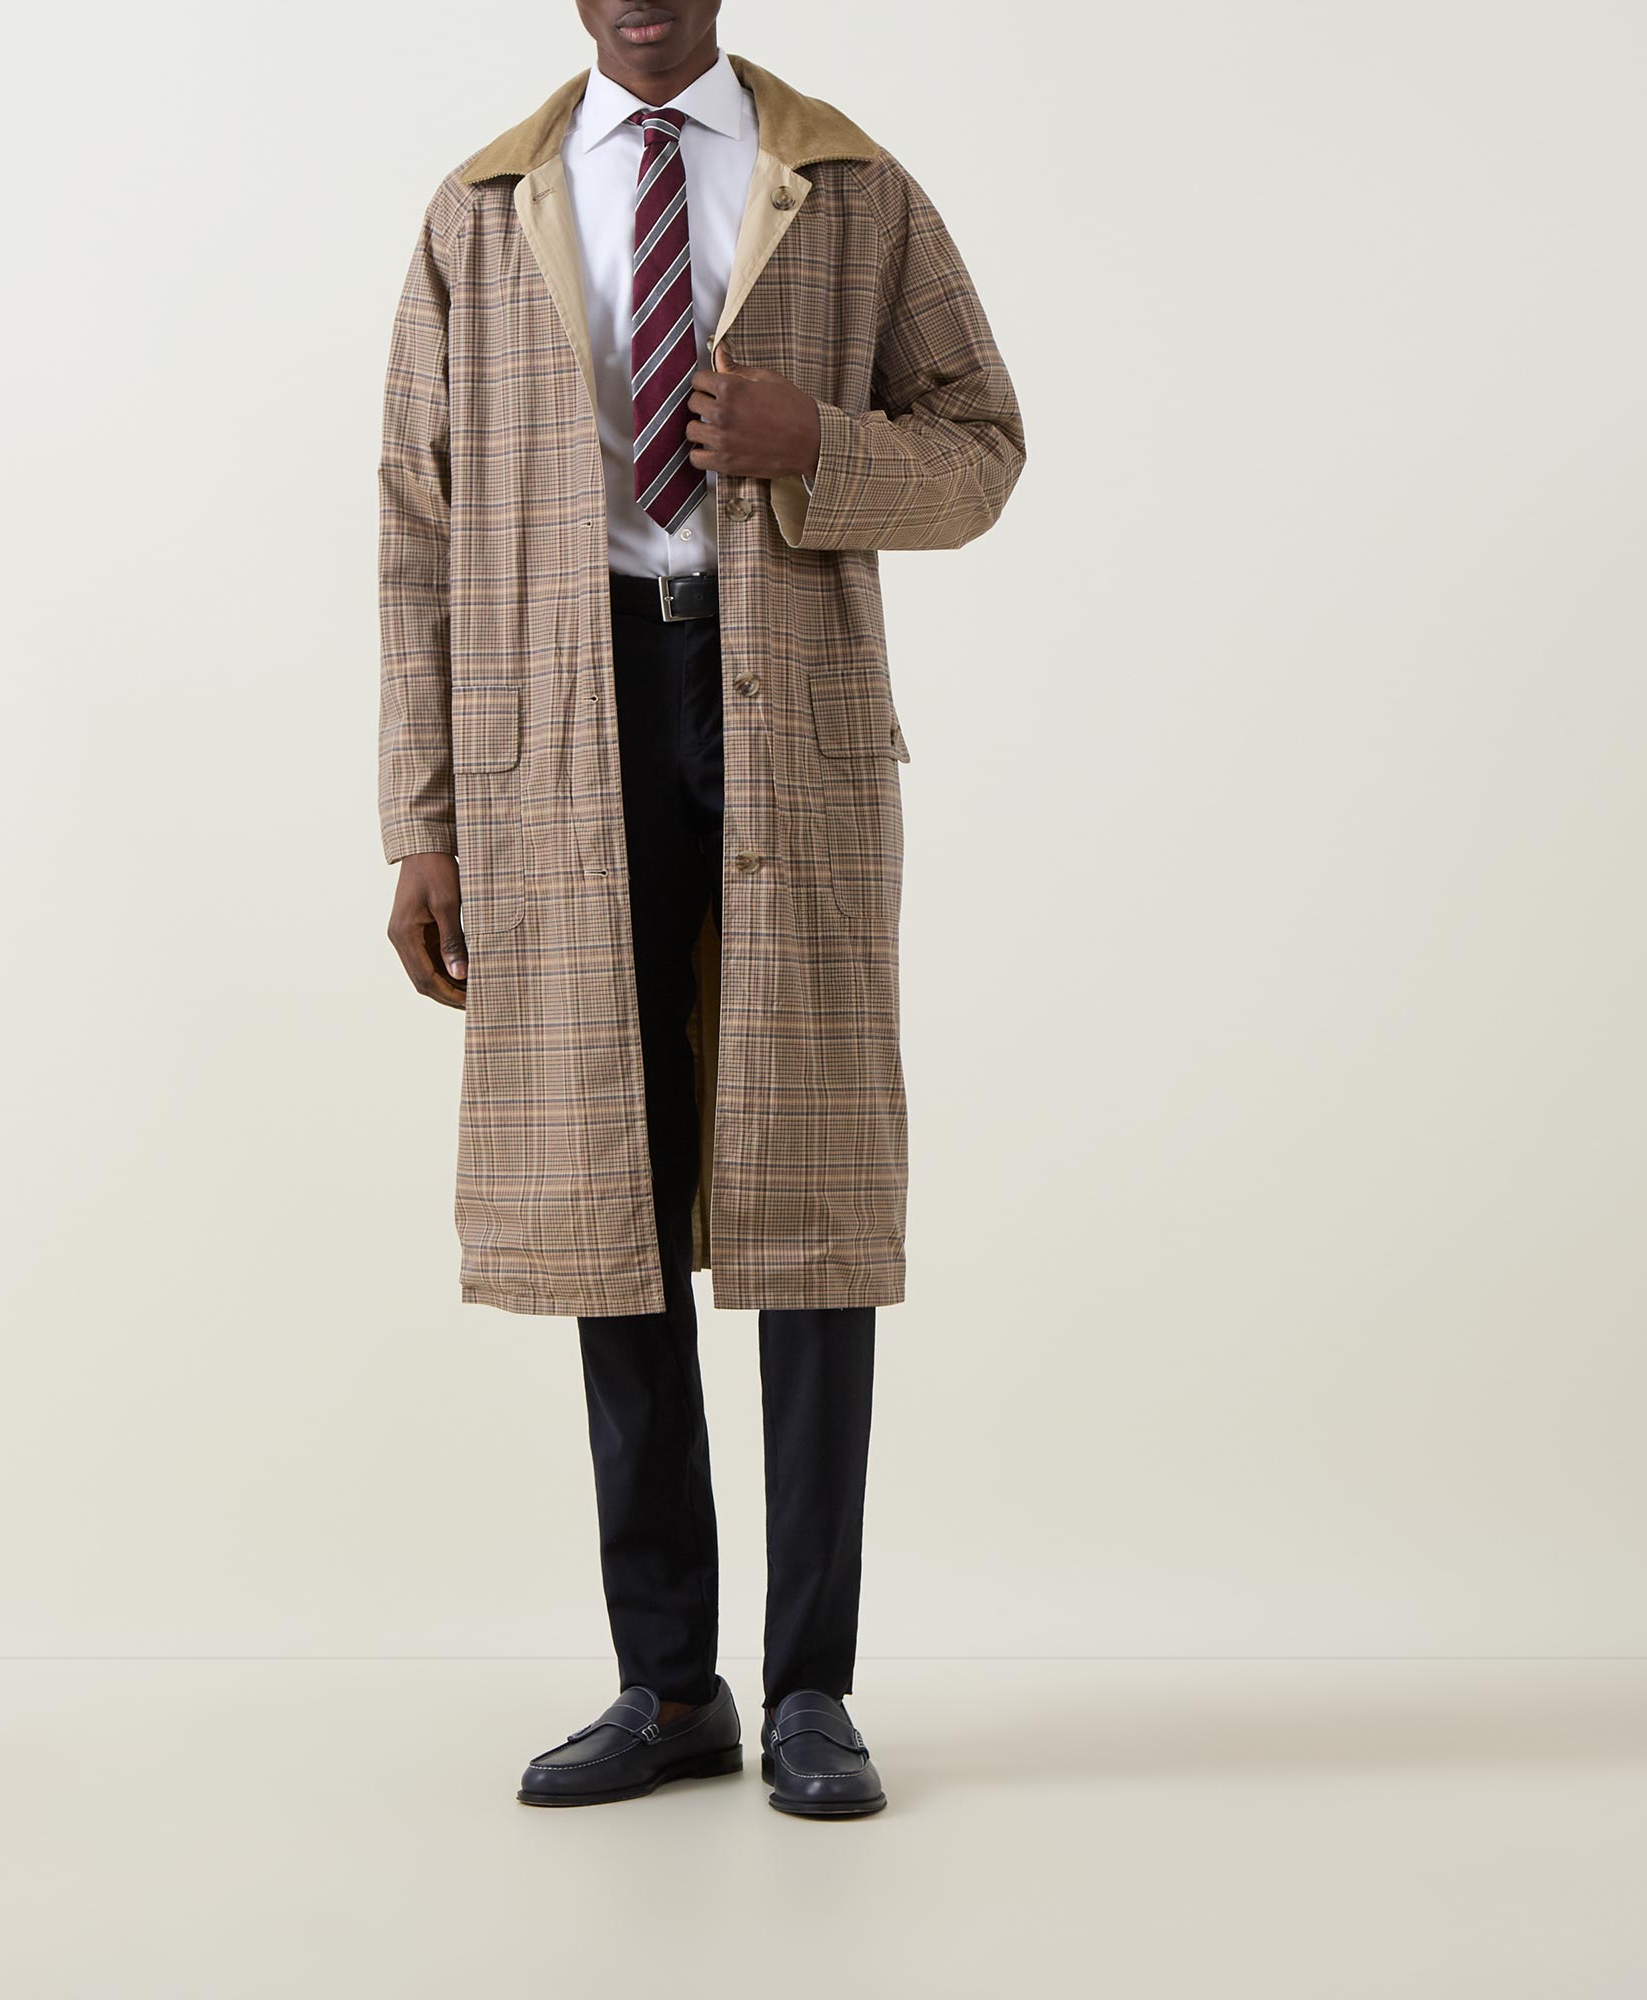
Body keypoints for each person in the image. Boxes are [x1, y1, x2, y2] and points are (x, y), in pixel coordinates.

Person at [379, 0, 1024, 1817]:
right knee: (615, 1180)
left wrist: (821, 439)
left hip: (780, 701)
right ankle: (670, 1687)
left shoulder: (851, 187)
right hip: (560, 720)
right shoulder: (479, 211)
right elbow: (415, 523)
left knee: (810, 1188)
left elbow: (984, 445)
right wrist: (421, 816)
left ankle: (811, 1689)